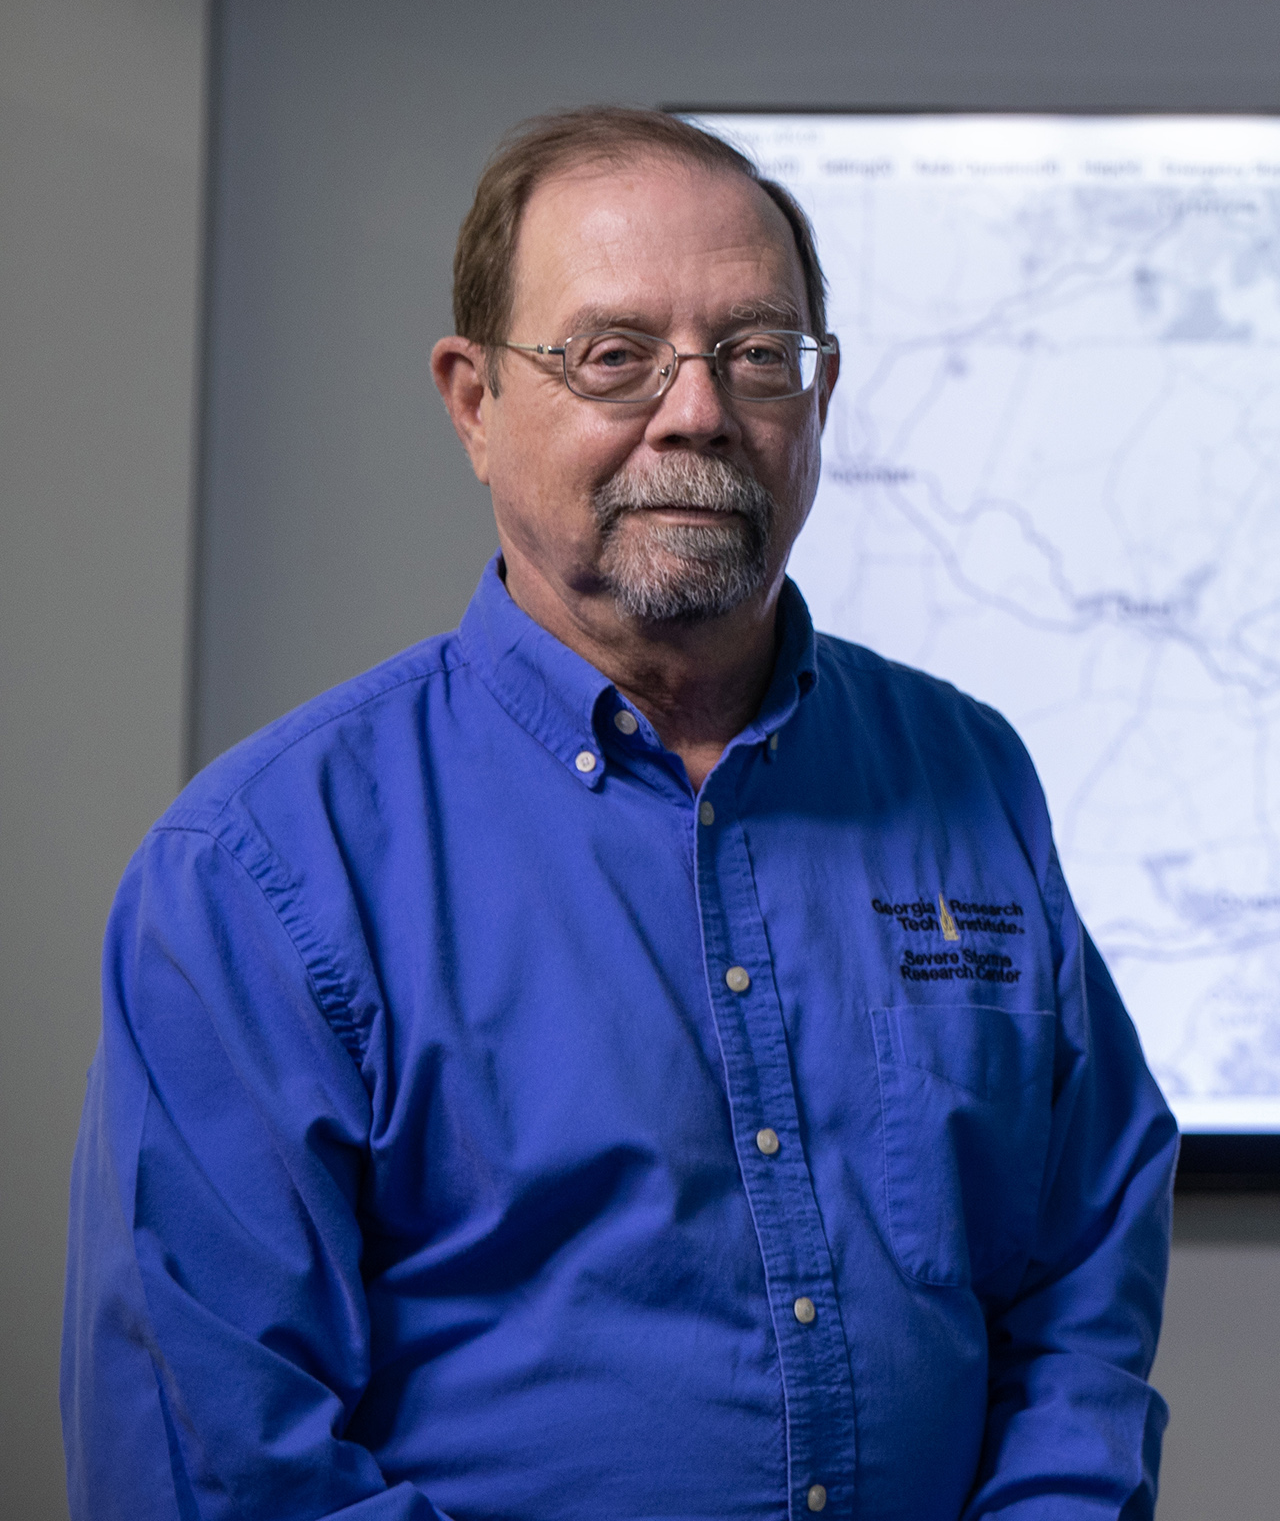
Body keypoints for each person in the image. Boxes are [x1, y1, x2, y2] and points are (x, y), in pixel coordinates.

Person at [65, 108, 1180, 1519]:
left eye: (759, 355)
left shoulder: (965, 775)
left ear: (818, 405)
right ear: (474, 401)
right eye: (615, 357)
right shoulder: (264, 869)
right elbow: (225, 1458)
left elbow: (1081, 1277)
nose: (702, 408)